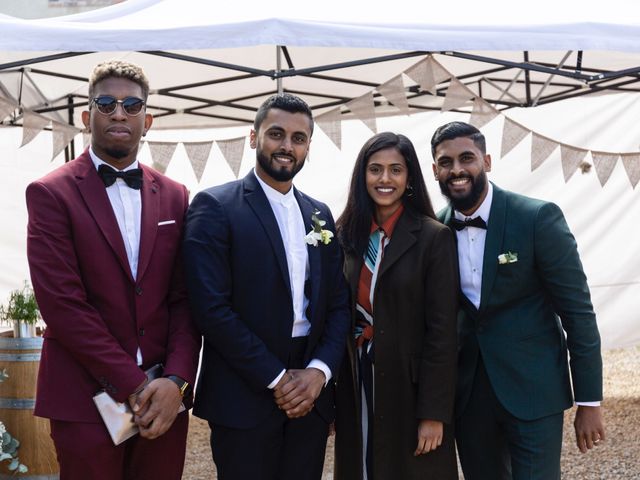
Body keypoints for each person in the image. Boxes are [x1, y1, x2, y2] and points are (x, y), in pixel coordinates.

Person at [25, 60, 201, 480]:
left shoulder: (176, 195)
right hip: (84, 398)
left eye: (131, 105)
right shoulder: (51, 193)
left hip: (163, 400)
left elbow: (184, 298)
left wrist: (175, 382)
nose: (119, 113)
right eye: (106, 104)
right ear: (87, 117)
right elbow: (64, 306)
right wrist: (135, 386)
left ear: (148, 119)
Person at [183, 93, 351, 480]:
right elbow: (211, 308)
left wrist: (319, 372)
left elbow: (338, 305)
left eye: (298, 137)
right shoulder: (216, 205)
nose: (286, 146)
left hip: (310, 388)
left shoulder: (319, 213)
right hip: (244, 388)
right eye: (276, 134)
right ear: (254, 137)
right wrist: (277, 378)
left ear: (309, 145)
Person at [431, 121, 605, 480]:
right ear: (435, 170)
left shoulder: (537, 218)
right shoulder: (434, 230)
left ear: (488, 162)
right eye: (446, 162)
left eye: (467, 158)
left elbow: (577, 312)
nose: (457, 170)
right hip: (468, 396)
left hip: (533, 390)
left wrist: (589, 400)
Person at [333, 132, 459, 480]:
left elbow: (443, 332)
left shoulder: (434, 237)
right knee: (362, 467)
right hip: (357, 378)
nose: (385, 179)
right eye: (375, 170)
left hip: (411, 388)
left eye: (395, 170)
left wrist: (434, 413)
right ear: (363, 176)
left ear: (409, 178)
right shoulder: (345, 236)